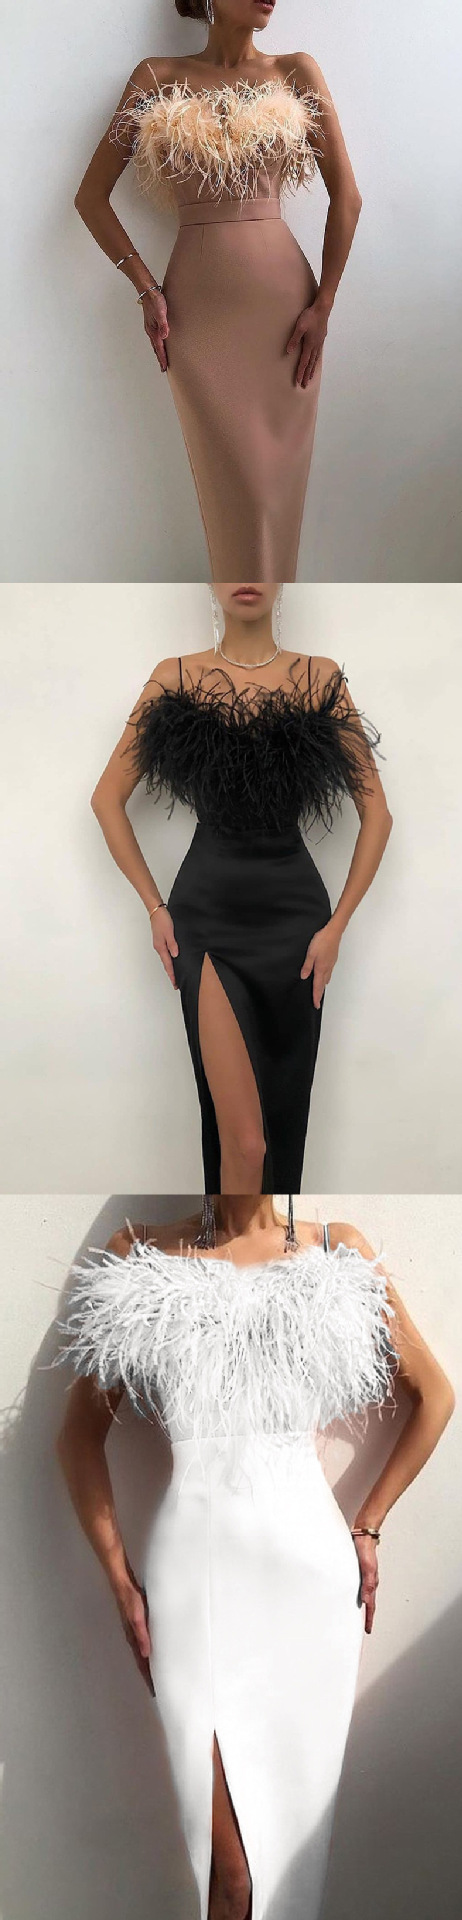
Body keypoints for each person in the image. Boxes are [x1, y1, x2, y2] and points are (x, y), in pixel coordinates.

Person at [56, 1192, 455, 1920]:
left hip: (309, 1583)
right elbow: (77, 1436)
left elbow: (434, 1397)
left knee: (287, 1864)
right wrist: (120, 1581)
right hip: (192, 1579)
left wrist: (368, 1525)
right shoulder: (141, 1254)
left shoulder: (337, 1251)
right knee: (232, 1871)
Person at [91, 583, 391, 1191]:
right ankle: (229, 1248)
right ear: (212, 578)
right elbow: (106, 800)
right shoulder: (174, 677)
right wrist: (154, 906)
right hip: (207, 922)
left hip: (296, 926)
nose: (245, 576)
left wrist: (337, 927)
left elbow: (377, 816)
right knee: (245, 1141)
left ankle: (263, 1242)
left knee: (282, 1115)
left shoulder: (321, 677)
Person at [74, 2, 362, 577]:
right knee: (230, 492)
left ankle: (268, 623)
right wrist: (145, 288)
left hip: (285, 314)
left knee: (273, 495)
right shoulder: (157, 77)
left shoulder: (296, 70)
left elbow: (347, 199)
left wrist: (324, 304)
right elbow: (90, 198)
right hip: (197, 316)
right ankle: (240, 624)